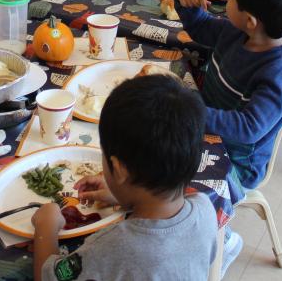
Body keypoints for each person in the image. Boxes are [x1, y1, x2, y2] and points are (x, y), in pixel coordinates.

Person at [175, 0, 282, 272]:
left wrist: (192, 110)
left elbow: (249, 127)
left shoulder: (278, 72)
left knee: (164, 180)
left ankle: (222, 242)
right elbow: (201, 28)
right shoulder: (238, 31)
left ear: (251, 20)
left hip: (236, 162)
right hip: (206, 128)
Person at [31, 74, 217, 281]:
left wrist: (45, 227)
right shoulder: (205, 208)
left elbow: (47, 278)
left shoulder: (112, 246)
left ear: (119, 170)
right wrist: (122, 195)